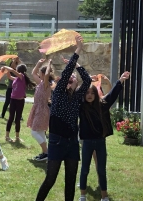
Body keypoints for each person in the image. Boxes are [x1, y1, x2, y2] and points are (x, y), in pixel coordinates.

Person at [36, 35, 91, 201]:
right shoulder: (58, 93)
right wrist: (77, 51)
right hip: (57, 141)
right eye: (68, 78)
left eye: (74, 78)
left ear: (75, 84)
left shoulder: (78, 96)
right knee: (50, 179)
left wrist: (77, 65)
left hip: (72, 143)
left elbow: (87, 80)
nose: (71, 78)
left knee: (70, 180)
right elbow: (67, 74)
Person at [78, 71, 130, 201]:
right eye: (87, 93)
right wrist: (86, 81)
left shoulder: (102, 105)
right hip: (87, 143)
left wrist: (120, 80)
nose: (89, 96)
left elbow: (112, 95)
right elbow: (77, 93)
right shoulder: (81, 107)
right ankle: (82, 195)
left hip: (100, 142)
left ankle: (104, 196)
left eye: (92, 93)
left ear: (96, 94)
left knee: (101, 170)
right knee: (84, 169)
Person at [27, 59, 55, 161]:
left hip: (42, 110)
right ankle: (45, 153)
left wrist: (49, 64)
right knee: (41, 132)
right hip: (38, 109)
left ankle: (46, 152)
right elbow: (33, 73)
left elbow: (47, 74)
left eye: (40, 73)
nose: (38, 75)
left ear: (43, 74)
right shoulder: (41, 83)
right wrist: (38, 63)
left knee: (34, 132)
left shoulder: (46, 84)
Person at [2, 64, 36, 143]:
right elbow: (10, 77)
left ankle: (17, 137)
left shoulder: (22, 76)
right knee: (11, 118)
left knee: (17, 119)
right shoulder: (17, 78)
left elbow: (13, 71)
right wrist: (7, 71)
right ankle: (7, 136)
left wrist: (5, 67)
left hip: (20, 101)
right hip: (13, 100)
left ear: (19, 70)